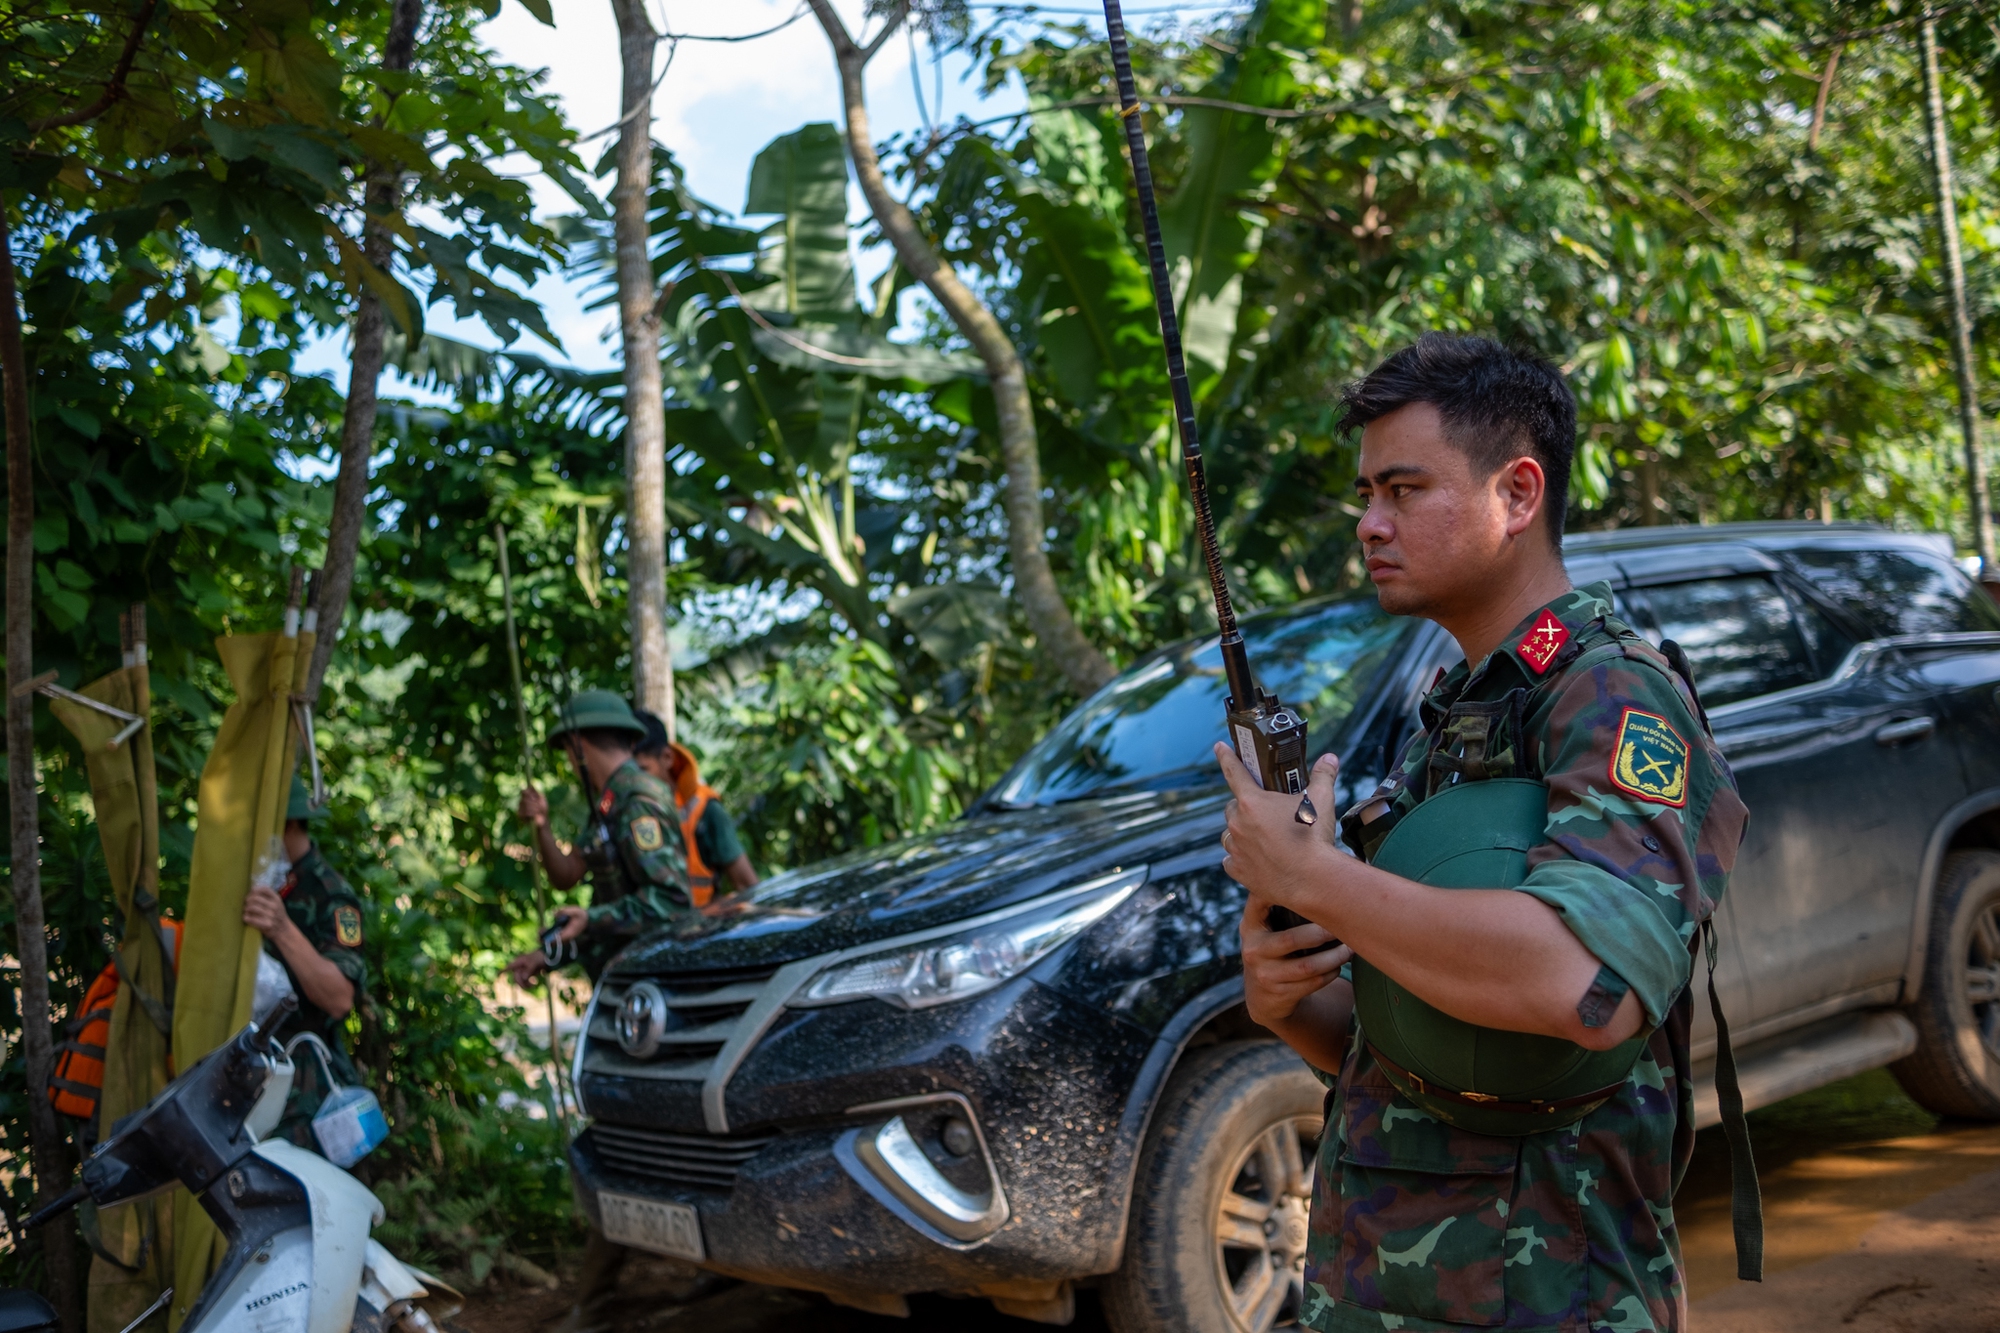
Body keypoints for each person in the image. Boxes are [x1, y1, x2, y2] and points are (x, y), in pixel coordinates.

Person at [1219, 334, 1749, 1333]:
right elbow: (1423, 1050)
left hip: (1549, 1299)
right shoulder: (1459, 714)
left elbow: (1579, 989)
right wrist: (1287, 1000)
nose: (1369, 525)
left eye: (1403, 489)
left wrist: (1321, 878)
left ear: (1515, 494)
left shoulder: (1609, 694)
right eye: (1364, 495)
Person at [507, 690, 695, 988]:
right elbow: (568, 874)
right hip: (625, 980)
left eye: (568, 752)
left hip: (652, 985)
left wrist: (591, 919)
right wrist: (542, 826)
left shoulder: (637, 802)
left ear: (578, 746)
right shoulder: (608, 803)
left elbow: (670, 902)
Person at [240, 775, 369, 1145]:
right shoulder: (261, 879)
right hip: (253, 1077)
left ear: (290, 823)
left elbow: (339, 998)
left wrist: (282, 928)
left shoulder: (331, 895)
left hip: (307, 1096)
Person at [630, 709, 758, 904]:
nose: (636, 781)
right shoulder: (623, 811)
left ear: (667, 758)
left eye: (643, 770)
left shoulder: (707, 811)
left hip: (703, 929)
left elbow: (747, 886)